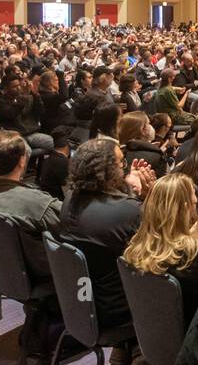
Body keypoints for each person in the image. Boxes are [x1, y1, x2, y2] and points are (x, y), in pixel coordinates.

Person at [57, 137, 155, 340]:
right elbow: (163, 242)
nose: (124, 167)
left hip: (82, 297)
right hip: (119, 306)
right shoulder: (129, 212)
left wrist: (128, 190)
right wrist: (149, 194)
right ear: (107, 172)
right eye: (121, 163)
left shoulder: (69, 200)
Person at [123, 174, 198, 325]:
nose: (196, 201)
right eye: (193, 201)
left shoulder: (135, 250)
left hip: (160, 335)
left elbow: (177, 247)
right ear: (185, 208)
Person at [0, 130, 62, 283]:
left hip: (13, 273)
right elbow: (73, 225)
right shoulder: (36, 203)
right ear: (22, 161)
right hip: (47, 274)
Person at [116, 111, 168, 177]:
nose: (151, 126)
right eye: (149, 123)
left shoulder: (116, 151)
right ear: (143, 130)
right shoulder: (157, 156)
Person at [36, 125, 73, 201]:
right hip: (57, 203)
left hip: (46, 200)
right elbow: (68, 193)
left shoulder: (47, 159)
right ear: (68, 145)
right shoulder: (63, 163)